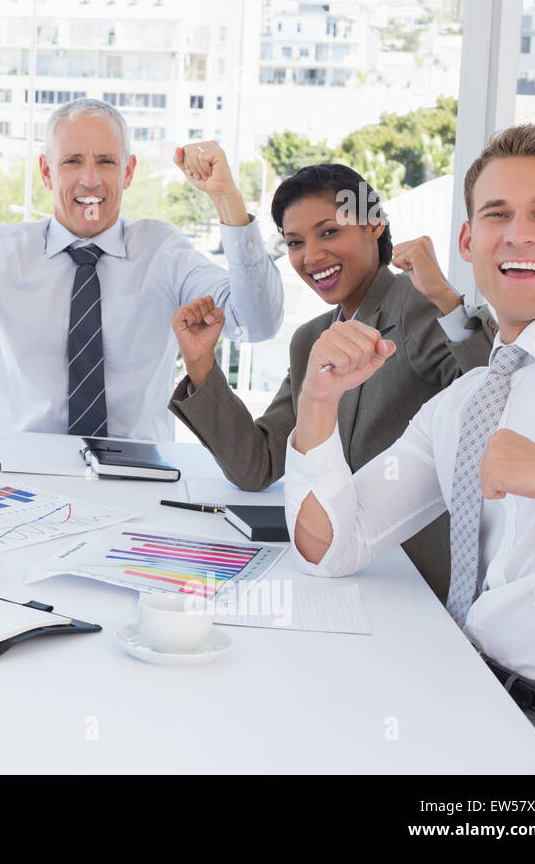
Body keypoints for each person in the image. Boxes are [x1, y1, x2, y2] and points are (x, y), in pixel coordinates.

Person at [285, 124, 535, 773]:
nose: (518, 233)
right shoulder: (464, 401)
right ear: (469, 240)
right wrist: (316, 404)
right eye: (497, 215)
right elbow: (330, 544)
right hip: (462, 695)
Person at [168, 162, 496, 600]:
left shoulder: (414, 304)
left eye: (327, 232)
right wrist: (201, 363)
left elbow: (494, 399)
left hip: (418, 583)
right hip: (336, 573)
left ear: (374, 224)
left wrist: (445, 299)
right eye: (295, 242)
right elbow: (257, 465)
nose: (312, 256)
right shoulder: (312, 340)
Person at [0, 98, 283, 443]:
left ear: (128, 172)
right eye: (72, 161)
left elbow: (256, 323)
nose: (90, 179)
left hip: (139, 477)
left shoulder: (164, 253)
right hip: (20, 471)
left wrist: (226, 200)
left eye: (106, 161)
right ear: (46, 172)